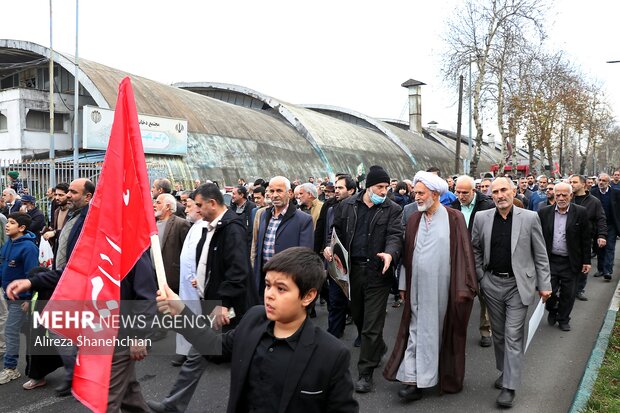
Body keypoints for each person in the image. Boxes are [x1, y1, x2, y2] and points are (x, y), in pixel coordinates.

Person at [156, 247, 359, 413]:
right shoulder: (254, 319)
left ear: (308, 296)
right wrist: (180, 310)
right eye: (268, 285)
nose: (269, 294)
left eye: (281, 289)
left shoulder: (330, 354)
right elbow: (213, 346)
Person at [383, 171, 477, 401]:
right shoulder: (414, 218)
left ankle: (430, 377)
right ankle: (414, 381)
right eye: (415, 193)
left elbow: (464, 255)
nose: (416, 197)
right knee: (415, 331)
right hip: (416, 289)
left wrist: (464, 288)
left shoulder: (454, 218)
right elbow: (407, 255)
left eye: (421, 193)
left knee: (435, 333)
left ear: (435, 194)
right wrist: (403, 285)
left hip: (443, 290)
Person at [6, 178, 95, 396]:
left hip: (79, 285)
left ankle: (83, 376)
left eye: (72, 192)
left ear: (88, 196)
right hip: (61, 280)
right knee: (59, 330)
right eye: (65, 193)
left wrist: (33, 283)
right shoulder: (71, 214)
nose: (65, 196)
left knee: (68, 331)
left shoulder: (91, 220)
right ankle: (75, 374)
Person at [471, 177, 551, 408]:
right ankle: (506, 371)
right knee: (498, 334)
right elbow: (475, 248)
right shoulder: (481, 218)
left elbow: (540, 254)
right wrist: (481, 277)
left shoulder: (529, 218)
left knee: (513, 334)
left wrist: (544, 284)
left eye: (504, 190)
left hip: (519, 285)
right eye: (495, 191)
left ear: (513, 191)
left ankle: (509, 386)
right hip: (492, 284)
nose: (499, 195)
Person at [324, 165, 403, 393]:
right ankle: (377, 346)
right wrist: (328, 248)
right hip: (352, 273)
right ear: (368, 187)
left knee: (371, 325)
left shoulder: (392, 209)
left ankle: (365, 373)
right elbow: (335, 231)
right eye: (380, 187)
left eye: (387, 187)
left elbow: (396, 235)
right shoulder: (347, 206)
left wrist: (390, 253)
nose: (384, 191)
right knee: (358, 316)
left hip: (378, 274)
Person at [538, 183, 590, 331]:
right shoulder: (544, 213)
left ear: (571, 196)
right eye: (558, 195)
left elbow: (586, 238)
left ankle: (563, 319)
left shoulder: (580, 212)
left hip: (571, 261)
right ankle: (553, 309)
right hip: (551, 260)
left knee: (569, 293)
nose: (561, 198)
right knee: (549, 292)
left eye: (564, 195)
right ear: (554, 196)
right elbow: (538, 237)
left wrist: (586, 260)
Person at [450, 175, 495, 347]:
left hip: (480, 257)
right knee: (458, 295)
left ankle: (486, 330)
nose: (460, 196)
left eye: (464, 193)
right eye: (458, 192)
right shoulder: (452, 205)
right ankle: (456, 329)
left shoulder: (487, 206)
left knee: (485, 296)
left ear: (473, 191)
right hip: (459, 257)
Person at [253, 176, 313, 297]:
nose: (274, 195)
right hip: (264, 280)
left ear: (289, 193)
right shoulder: (264, 215)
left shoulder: (303, 220)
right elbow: (258, 248)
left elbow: (305, 257)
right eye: (271, 191)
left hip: (287, 283)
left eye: (279, 191)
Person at [0, 213, 39, 385]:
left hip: (20, 299)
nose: (7, 225)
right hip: (8, 296)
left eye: (12, 223)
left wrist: (28, 299)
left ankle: (11, 368)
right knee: (25, 332)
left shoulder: (29, 248)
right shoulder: (9, 243)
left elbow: (32, 275)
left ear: (22, 228)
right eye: (7, 222)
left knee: (11, 331)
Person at [569, 174, 607, 301]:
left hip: (585, 238)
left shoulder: (594, 201)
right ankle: (565, 288)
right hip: (567, 237)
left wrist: (601, 235)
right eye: (571, 182)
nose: (572, 184)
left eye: (574, 182)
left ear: (583, 184)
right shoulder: (568, 198)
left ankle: (579, 289)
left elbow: (601, 219)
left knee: (584, 264)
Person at [154, 194, 191, 294]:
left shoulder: (181, 224)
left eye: (158, 202)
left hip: (173, 279)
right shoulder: (152, 224)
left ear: (167, 206)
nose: (154, 205)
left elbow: (187, 253)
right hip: (154, 278)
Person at [589, 173, 620, 281]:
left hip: (611, 225)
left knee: (609, 247)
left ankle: (608, 271)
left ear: (608, 182)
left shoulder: (616, 193)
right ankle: (601, 269)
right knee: (599, 248)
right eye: (599, 180)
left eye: (604, 181)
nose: (601, 182)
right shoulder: (593, 193)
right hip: (597, 224)